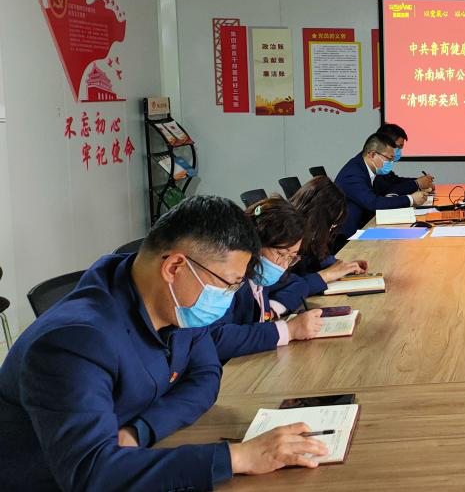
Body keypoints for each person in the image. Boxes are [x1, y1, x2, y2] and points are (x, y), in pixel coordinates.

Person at [0, 196, 329, 491]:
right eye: (228, 285)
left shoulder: (177, 306)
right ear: (174, 267)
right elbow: (92, 472)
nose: (229, 299)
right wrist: (237, 458)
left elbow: (206, 378)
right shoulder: (74, 340)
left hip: (138, 458)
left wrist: (141, 430)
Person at [209, 197, 324, 363]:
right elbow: (216, 339)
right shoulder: (225, 279)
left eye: (291, 256)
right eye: (281, 254)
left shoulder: (262, 271)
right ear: (255, 243)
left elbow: (298, 283)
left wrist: (272, 309)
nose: (284, 265)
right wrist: (288, 330)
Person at [269, 176, 365, 312]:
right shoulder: (286, 237)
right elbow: (290, 284)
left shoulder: (305, 233)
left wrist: (339, 267)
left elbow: (313, 260)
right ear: (318, 219)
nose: (330, 230)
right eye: (331, 224)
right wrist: (325, 275)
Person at [334, 132, 429, 240]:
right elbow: (373, 203)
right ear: (372, 155)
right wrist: (411, 199)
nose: (391, 163)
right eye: (389, 159)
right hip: (348, 237)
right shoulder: (352, 174)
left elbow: (386, 192)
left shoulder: (369, 168)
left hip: (367, 226)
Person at [376, 122, 435, 195]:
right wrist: (417, 184)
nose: (399, 151)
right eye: (398, 146)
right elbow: (388, 191)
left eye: (401, 147)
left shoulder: (385, 166)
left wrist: (421, 181)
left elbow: (396, 181)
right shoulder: (374, 167)